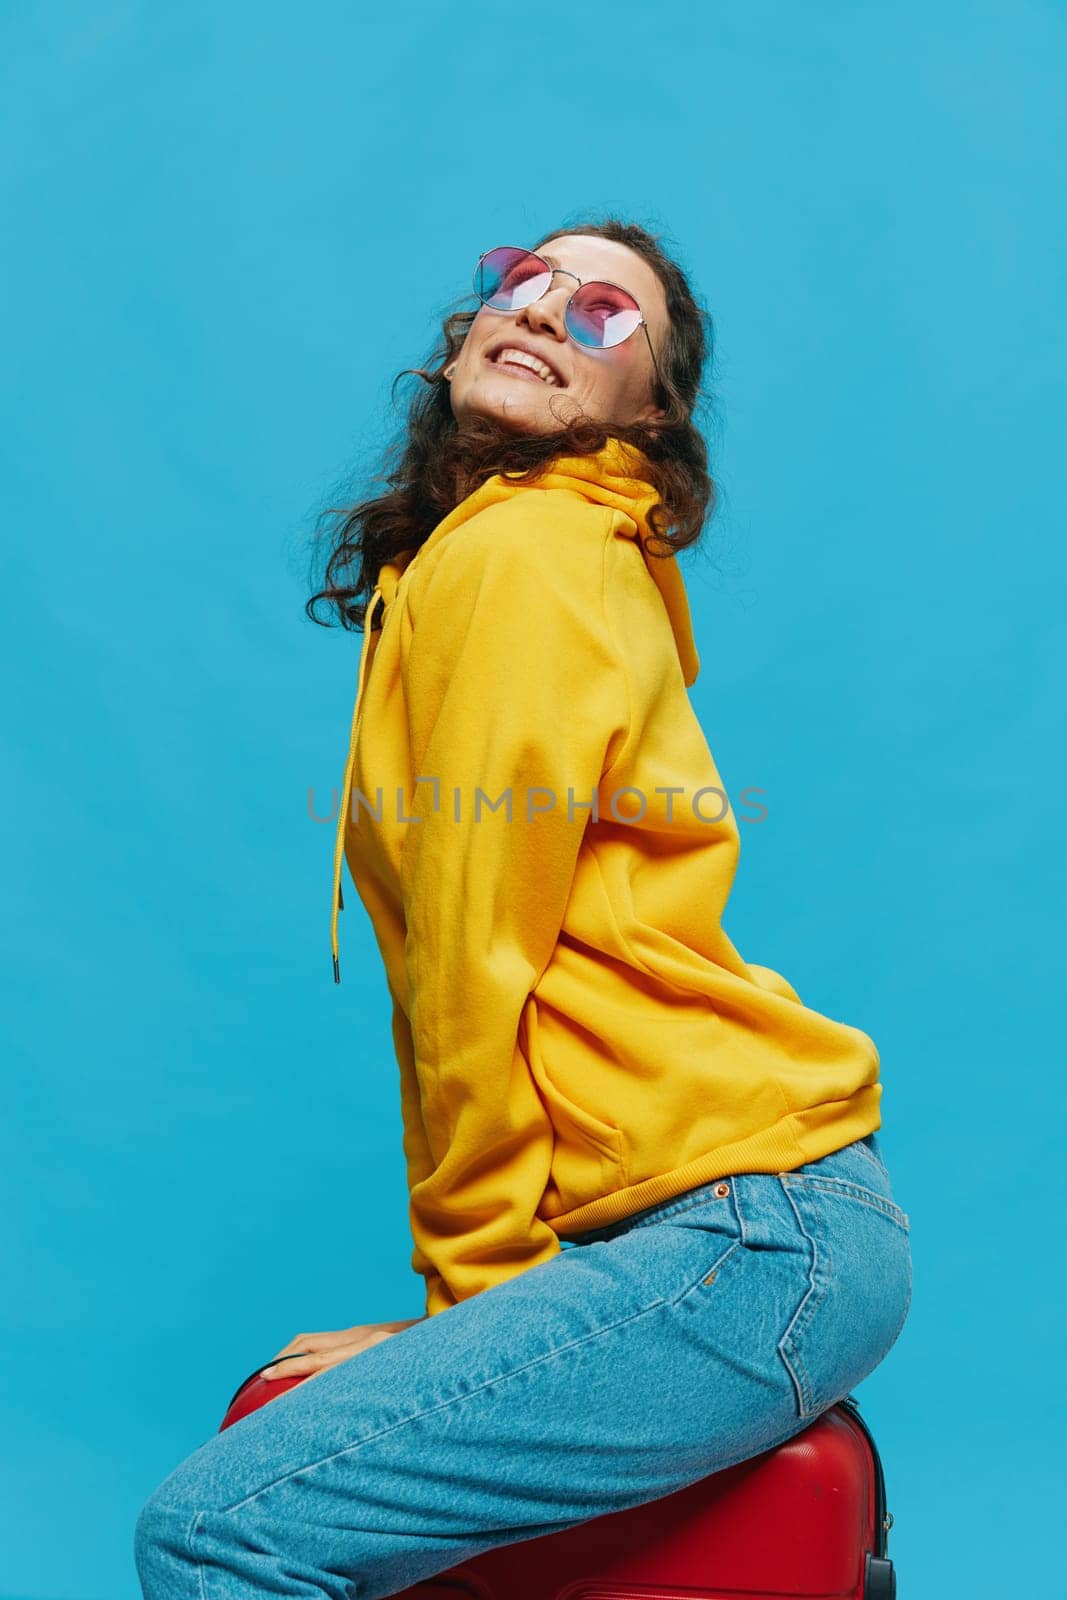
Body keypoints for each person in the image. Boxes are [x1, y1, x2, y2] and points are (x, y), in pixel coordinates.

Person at [134, 219, 912, 1600]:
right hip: (759, 1235)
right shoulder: (523, 552)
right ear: (462, 338)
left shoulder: (526, 557)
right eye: (523, 282)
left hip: (745, 1236)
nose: (548, 310)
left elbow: (478, 962)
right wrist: (473, 1337)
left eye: (607, 313)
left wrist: (471, 1303)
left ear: (649, 409)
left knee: (217, 1533)